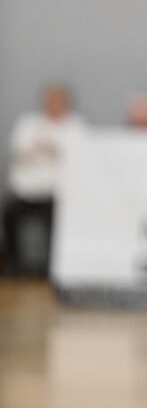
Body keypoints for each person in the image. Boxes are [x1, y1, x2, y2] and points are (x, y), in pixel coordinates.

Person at [3, 82, 83, 277]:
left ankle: (53, 268)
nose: (55, 104)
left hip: (56, 194)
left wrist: (43, 148)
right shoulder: (28, 123)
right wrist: (52, 150)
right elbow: (18, 150)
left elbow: (79, 157)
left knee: (57, 224)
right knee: (8, 213)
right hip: (25, 191)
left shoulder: (75, 126)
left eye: (59, 100)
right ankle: (14, 264)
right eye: (51, 99)